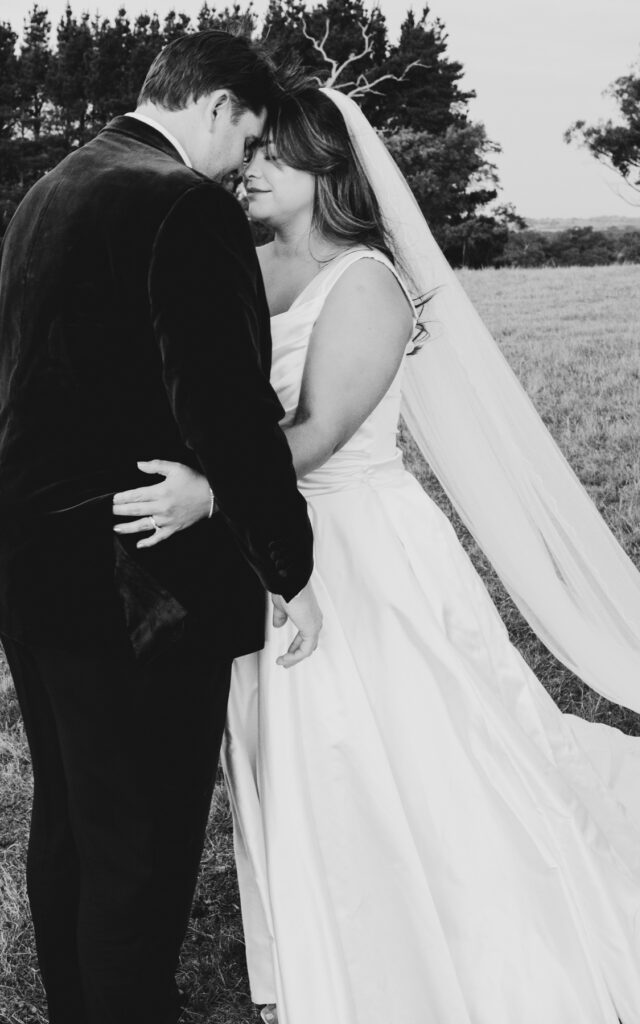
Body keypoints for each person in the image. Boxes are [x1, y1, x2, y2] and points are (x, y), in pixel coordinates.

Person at [112, 87, 640, 1024]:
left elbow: (321, 428)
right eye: (246, 154)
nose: (246, 170)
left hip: (359, 544)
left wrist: (211, 489)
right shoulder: (240, 263)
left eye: (271, 158)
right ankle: (333, 938)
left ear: (327, 169)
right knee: (294, 754)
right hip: (269, 547)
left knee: (404, 747)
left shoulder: (367, 281)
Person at [0, 33, 322, 1024]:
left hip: (35, 569)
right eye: (250, 137)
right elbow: (224, 403)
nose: (242, 165)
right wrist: (287, 562)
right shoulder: (177, 201)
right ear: (219, 108)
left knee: (73, 821)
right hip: (140, 581)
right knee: (139, 841)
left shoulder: (52, 190)